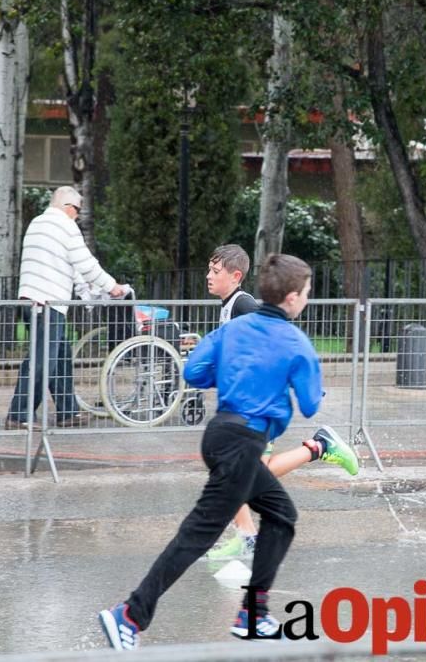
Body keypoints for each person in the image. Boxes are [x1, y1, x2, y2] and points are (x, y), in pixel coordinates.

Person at [98, 254, 331, 649]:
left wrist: (231, 371)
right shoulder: (296, 342)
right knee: (198, 534)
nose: (307, 298)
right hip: (243, 445)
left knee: (282, 515)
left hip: (220, 436)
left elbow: (194, 373)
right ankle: (130, 614)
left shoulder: (236, 328)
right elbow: (310, 405)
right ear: (291, 298)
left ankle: (253, 615)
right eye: (307, 292)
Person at [204, 244, 359, 560]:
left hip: (259, 409)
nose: (208, 276)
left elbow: (279, 338)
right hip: (248, 408)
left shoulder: (243, 305)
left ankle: (320, 447)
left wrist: (301, 378)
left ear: (235, 276)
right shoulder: (230, 304)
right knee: (242, 474)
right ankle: (246, 534)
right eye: (209, 270)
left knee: (241, 476)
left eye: (215, 272)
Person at [5, 186, 126, 430]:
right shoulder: (65, 225)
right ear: (69, 207)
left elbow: (69, 264)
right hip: (47, 302)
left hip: (33, 299)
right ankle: (19, 415)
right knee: (42, 361)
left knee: (60, 357)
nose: (78, 217)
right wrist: (112, 287)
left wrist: (84, 291)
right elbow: (85, 263)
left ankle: (68, 412)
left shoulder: (38, 223)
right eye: (78, 211)